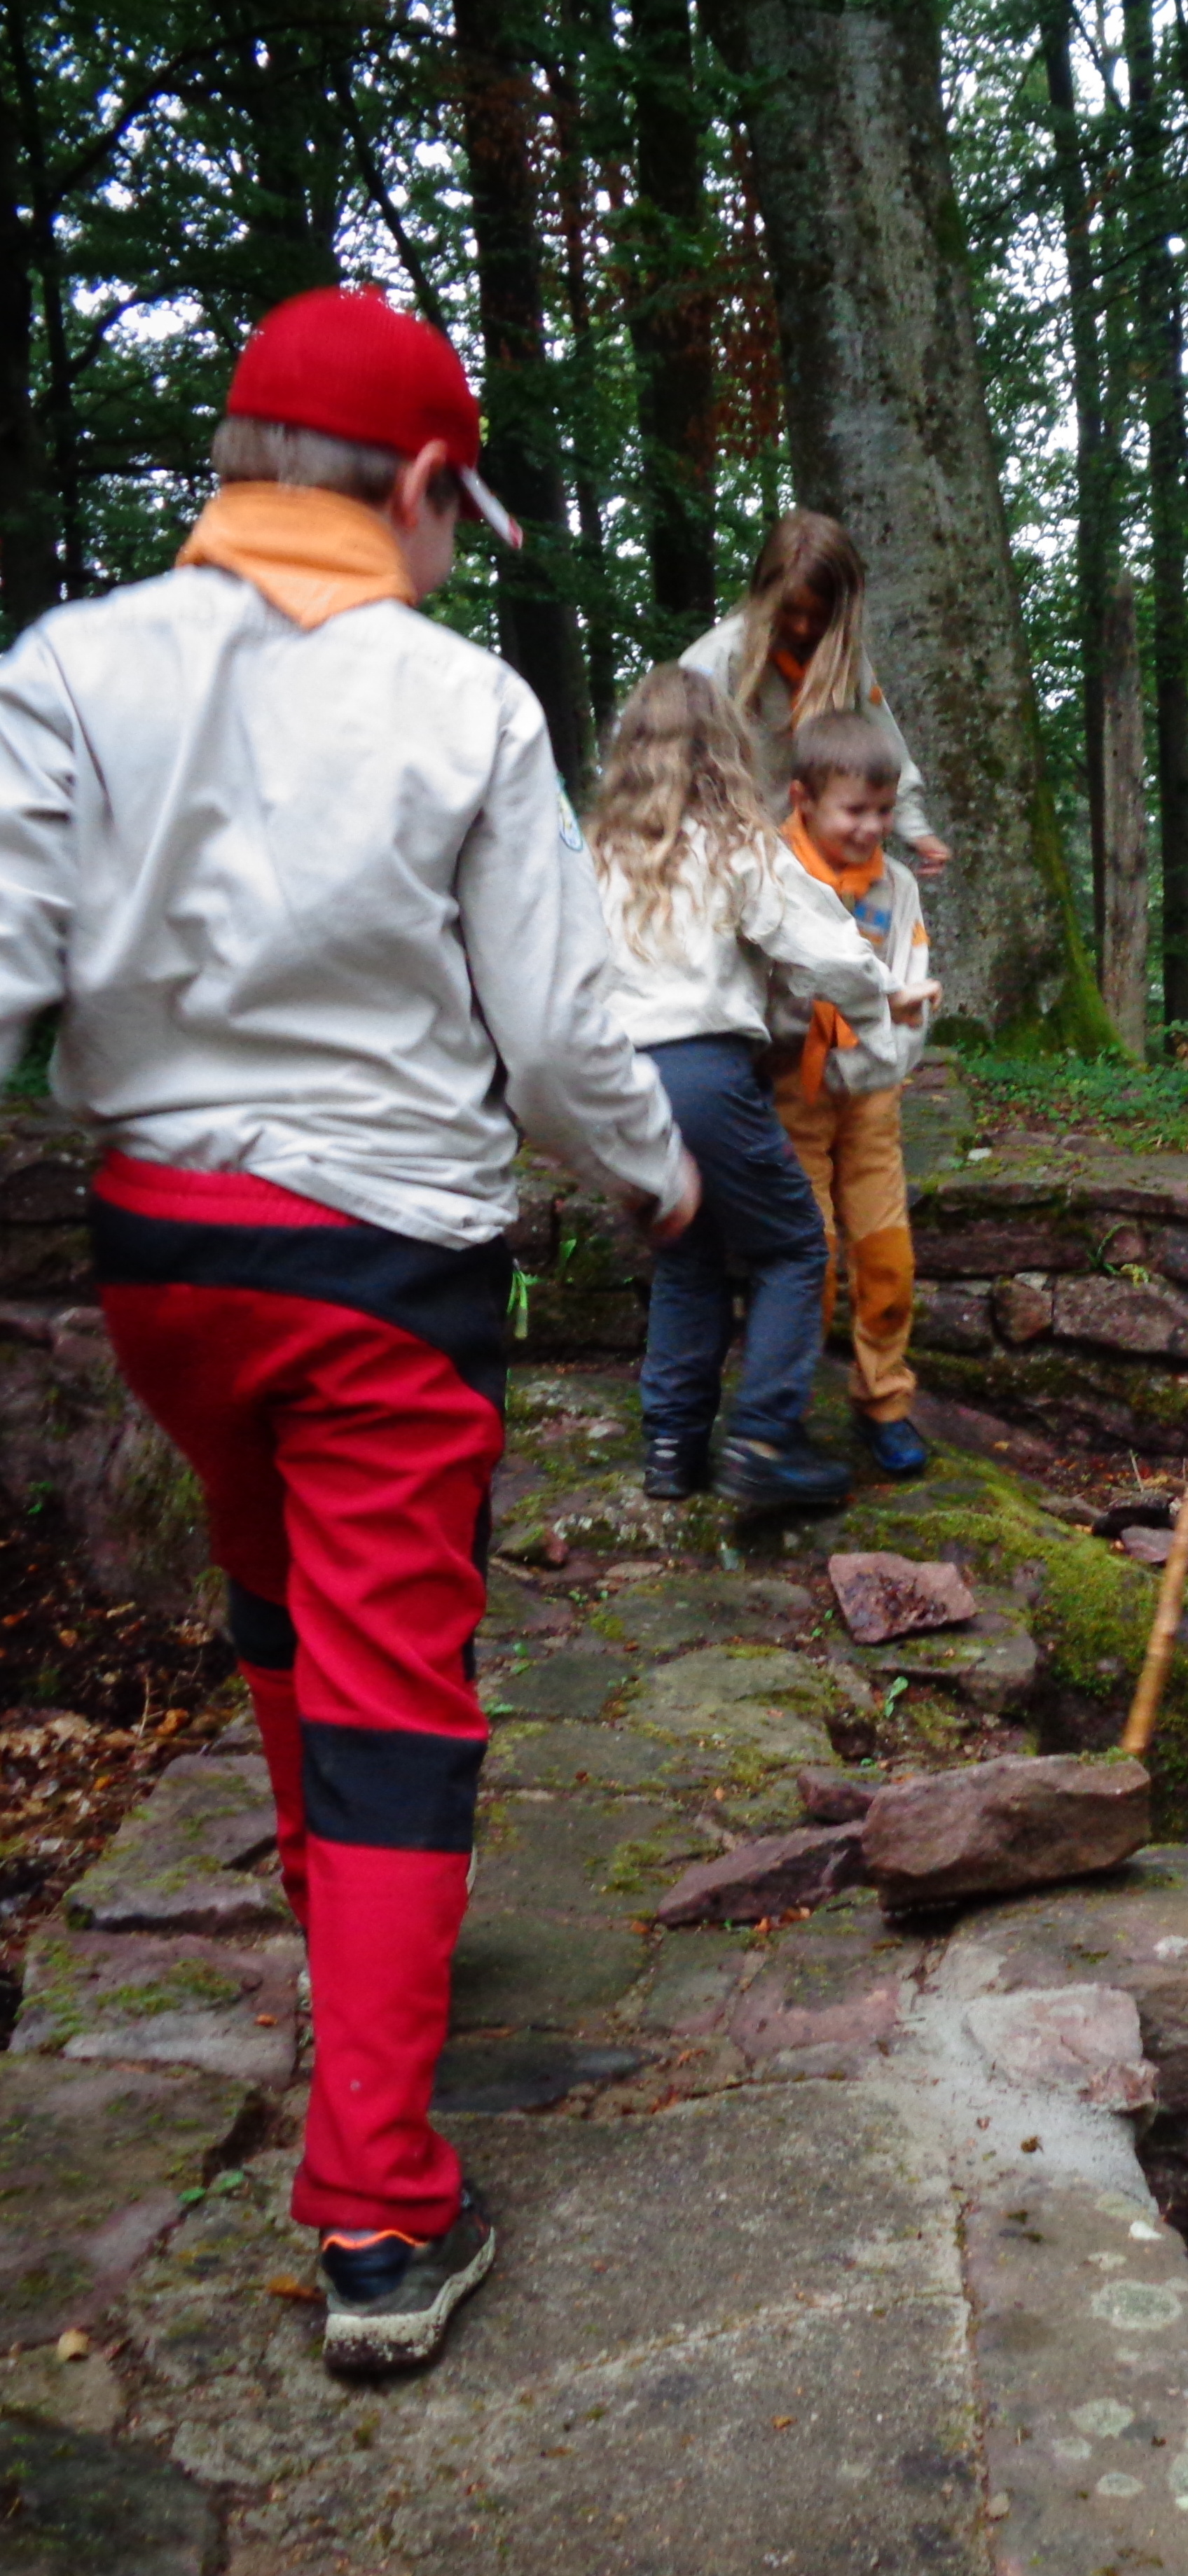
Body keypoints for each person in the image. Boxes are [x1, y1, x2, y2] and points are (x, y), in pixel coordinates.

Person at [0, 286, 698, 2372]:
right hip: (381, 1260)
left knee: (274, 1602)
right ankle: (383, 2211)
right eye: (450, 514)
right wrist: (650, 1170)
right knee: (399, 1687)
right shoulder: (455, 702)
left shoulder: (68, 668)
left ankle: (344, 1932)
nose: (450, 550)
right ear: (411, 484)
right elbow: (558, 1026)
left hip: (164, 1266)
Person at [588, 667, 900, 1510]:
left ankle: (671, 1448)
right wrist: (876, 998)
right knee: (793, 1246)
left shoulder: (598, 856)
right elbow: (826, 951)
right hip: (703, 1075)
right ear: (721, 751)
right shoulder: (735, 845)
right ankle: (765, 1441)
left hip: (616, 1086)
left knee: (688, 1255)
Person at [771, 710, 944, 1477]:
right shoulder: (772, 872)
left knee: (885, 1255)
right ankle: (786, 1413)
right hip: (790, 1090)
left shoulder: (896, 886)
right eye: (855, 810)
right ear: (803, 798)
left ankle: (885, 1402)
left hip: (871, 1095)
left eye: (884, 811)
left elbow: (912, 979)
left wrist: (893, 1040)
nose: (872, 827)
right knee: (809, 1254)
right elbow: (765, 984)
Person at [677, 507, 952, 880]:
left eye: (819, 614)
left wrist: (914, 827)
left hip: (821, 869)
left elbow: (883, 746)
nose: (803, 627)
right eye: (789, 610)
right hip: (734, 864)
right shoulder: (717, 659)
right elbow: (662, 757)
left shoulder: (846, 662)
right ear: (765, 593)